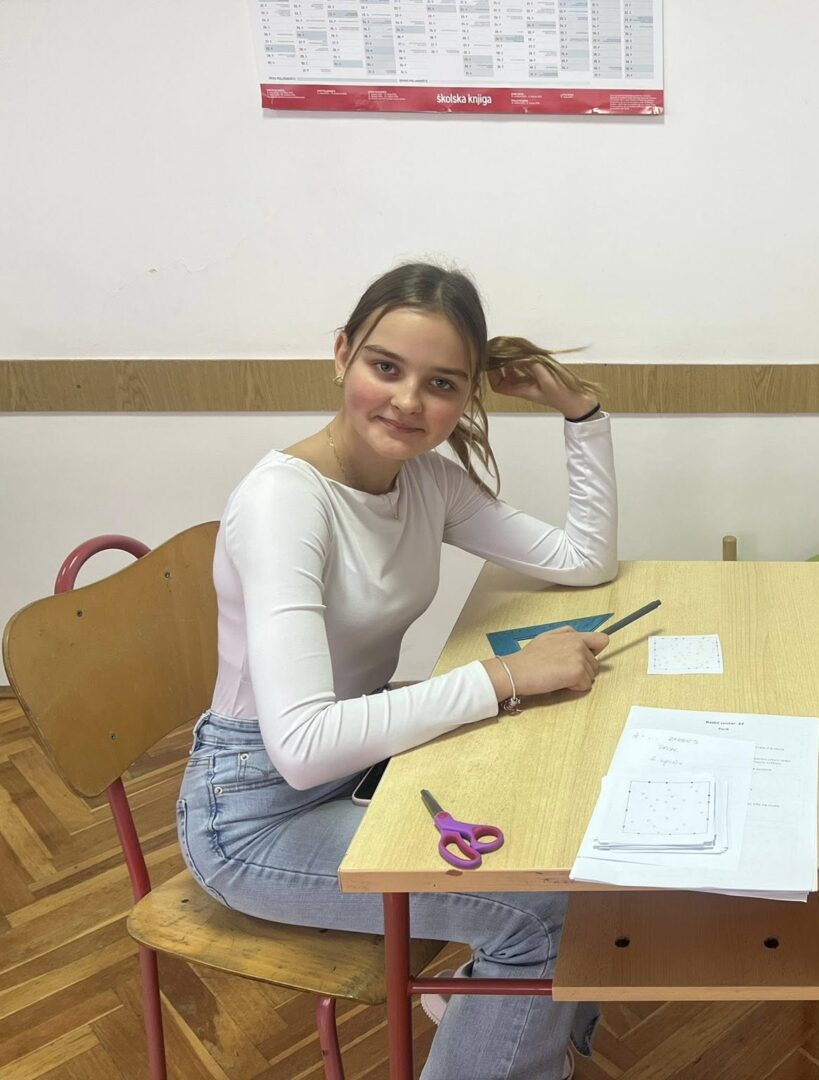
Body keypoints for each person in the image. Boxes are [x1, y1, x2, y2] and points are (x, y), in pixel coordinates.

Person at [176, 262, 618, 1079]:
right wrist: (505, 676)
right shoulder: (284, 503)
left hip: (364, 755)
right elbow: (302, 747)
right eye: (386, 367)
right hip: (256, 814)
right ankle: (500, 1009)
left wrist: (579, 410)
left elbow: (584, 562)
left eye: (441, 383)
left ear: (468, 396)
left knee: (562, 821)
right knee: (541, 909)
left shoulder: (427, 481)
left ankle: (490, 1008)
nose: (409, 401)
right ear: (342, 353)